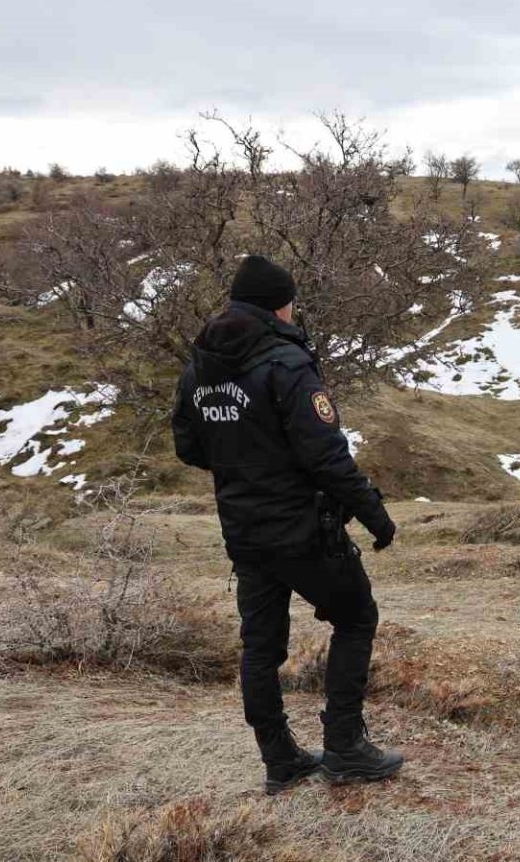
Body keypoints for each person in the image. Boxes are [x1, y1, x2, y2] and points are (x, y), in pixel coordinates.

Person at [172, 254, 403, 794]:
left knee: (260, 646)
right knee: (356, 617)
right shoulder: (286, 362)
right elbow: (326, 456)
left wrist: (243, 464)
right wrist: (375, 515)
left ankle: (279, 760)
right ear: (280, 305)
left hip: (244, 530)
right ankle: (345, 746)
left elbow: (189, 447)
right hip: (302, 529)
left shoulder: (199, 366)